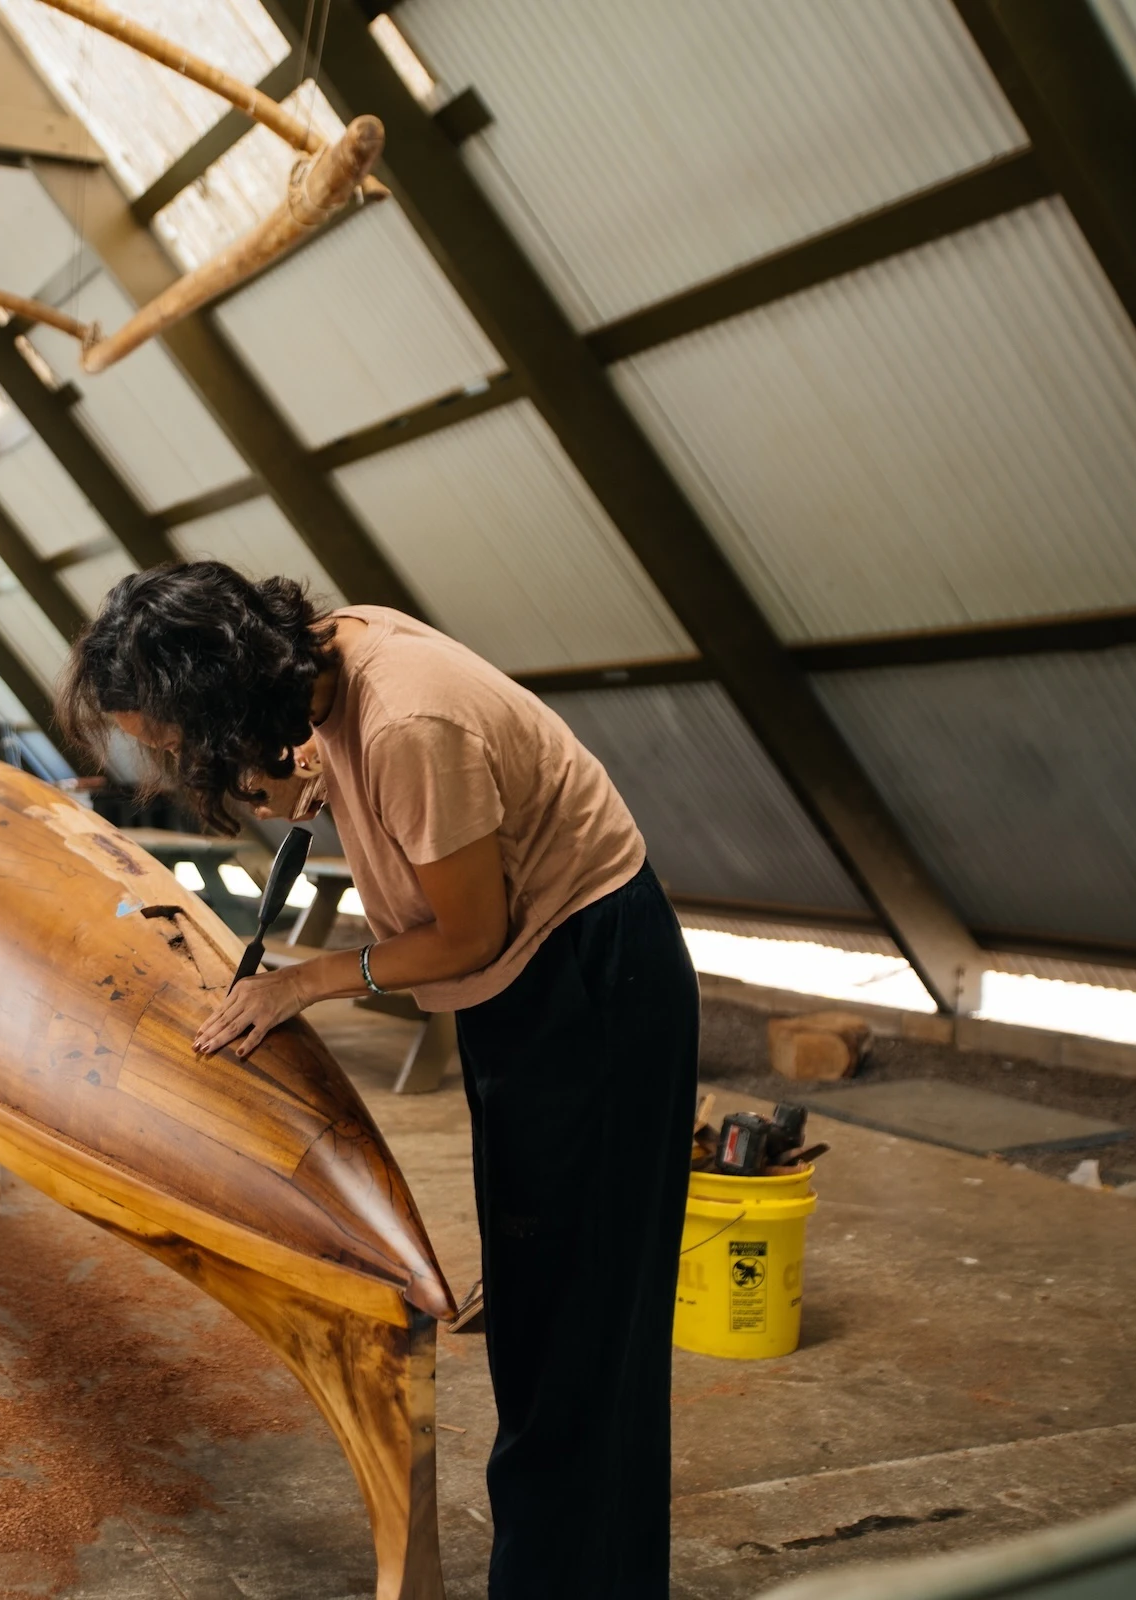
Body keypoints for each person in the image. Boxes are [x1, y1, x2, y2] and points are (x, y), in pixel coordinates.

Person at [58, 563, 697, 1599]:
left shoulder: (407, 721)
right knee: (543, 1306)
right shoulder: (331, 655)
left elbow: (469, 932)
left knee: (581, 1328)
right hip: (526, 978)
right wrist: (317, 772)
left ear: (225, 699)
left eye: (180, 742)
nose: (180, 763)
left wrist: (306, 980)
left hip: (589, 979)